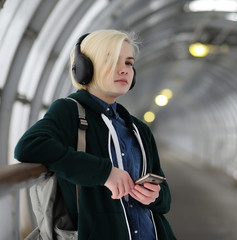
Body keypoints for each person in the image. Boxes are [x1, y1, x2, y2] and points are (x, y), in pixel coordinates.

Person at [14, 29, 176, 240]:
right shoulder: (70, 111)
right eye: (112, 60)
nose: (124, 70)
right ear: (85, 68)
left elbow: (165, 200)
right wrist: (105, 173)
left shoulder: (139, 129)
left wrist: (155, 196)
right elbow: (30, 146)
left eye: (128, 62)